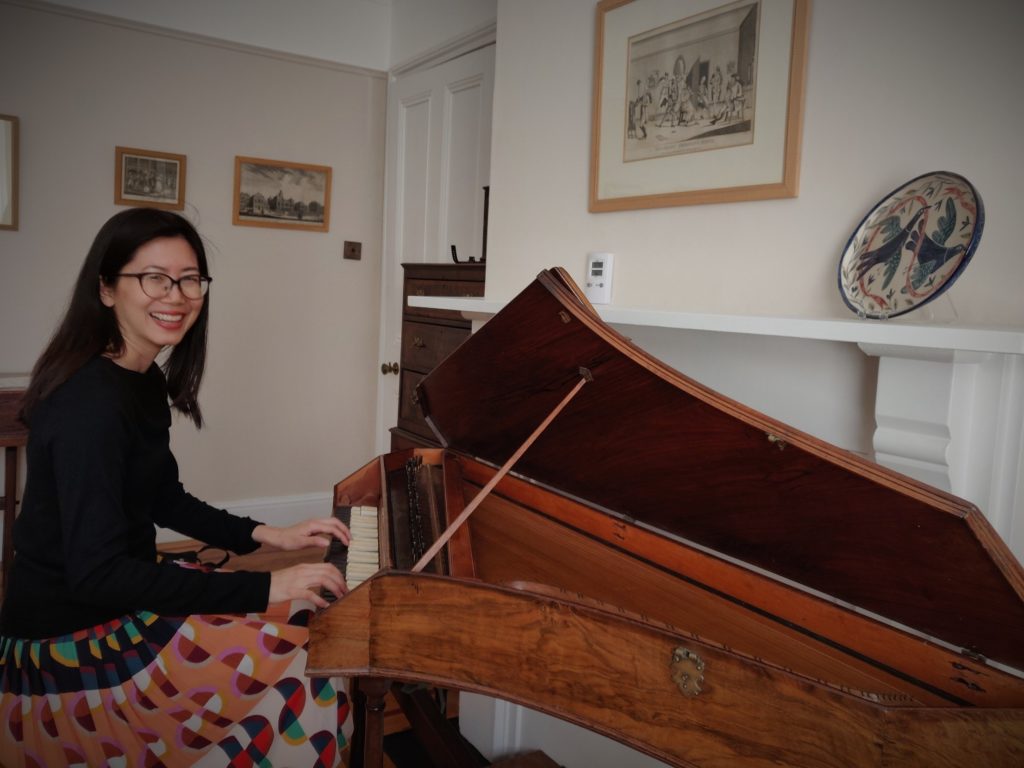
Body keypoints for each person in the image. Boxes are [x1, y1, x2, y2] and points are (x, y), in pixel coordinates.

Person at [0, 207, 353, 767]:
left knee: (301, 625)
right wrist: (264, 588)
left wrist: (270, 535)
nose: (177, 295)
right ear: (107, 289)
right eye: (154, 278)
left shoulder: (139, 380)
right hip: (69, 648)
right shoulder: (89, 406)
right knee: (305, 667)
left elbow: (163, 496)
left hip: (114, 606)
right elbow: (97, 574)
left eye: (190, 279)